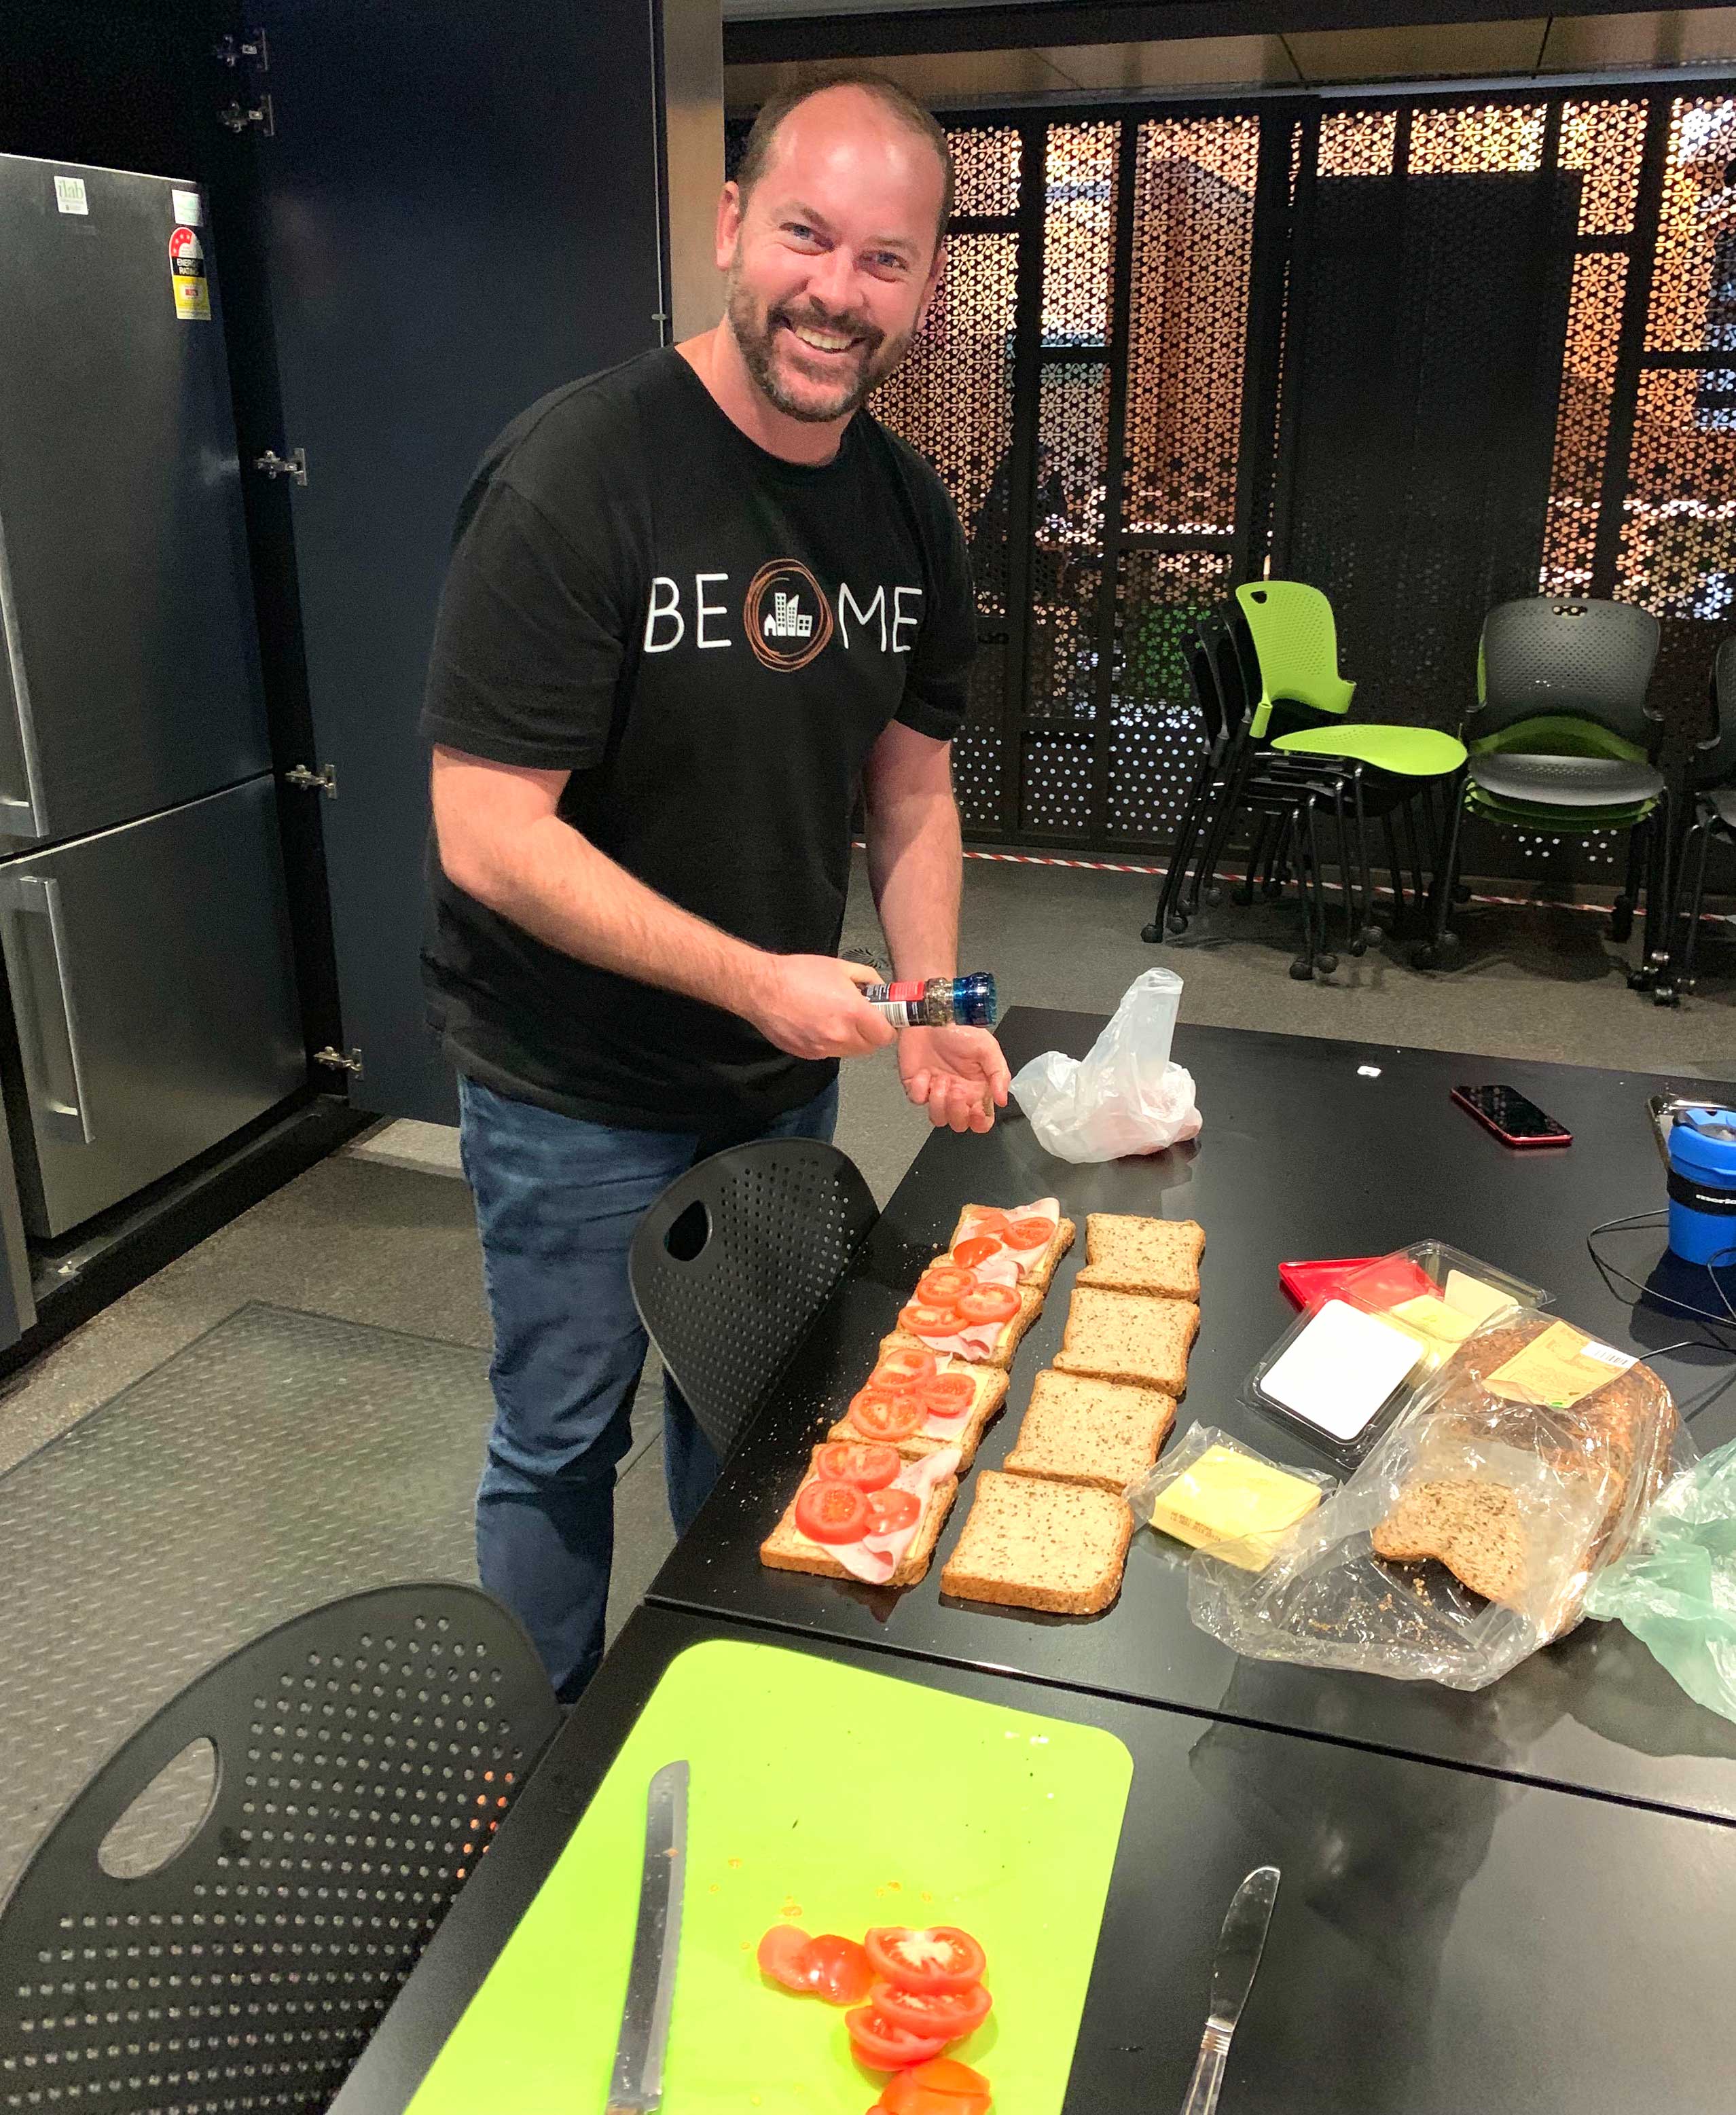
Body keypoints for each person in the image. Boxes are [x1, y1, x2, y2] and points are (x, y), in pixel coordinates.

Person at [418, 73, 1011, 1703]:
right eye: (808, 235)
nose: (839, 290)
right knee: (559, 1442)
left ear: (928, 285)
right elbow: (488, 830)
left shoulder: (906, 509)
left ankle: (721, 1702)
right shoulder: (577, 474)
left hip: (776, 1087)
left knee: (753, 1423)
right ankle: (526, 1784)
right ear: (734, 225)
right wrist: (755, 976)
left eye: (886, 259)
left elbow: (911, 791)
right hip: (572, 1087)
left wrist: (939, 1003)